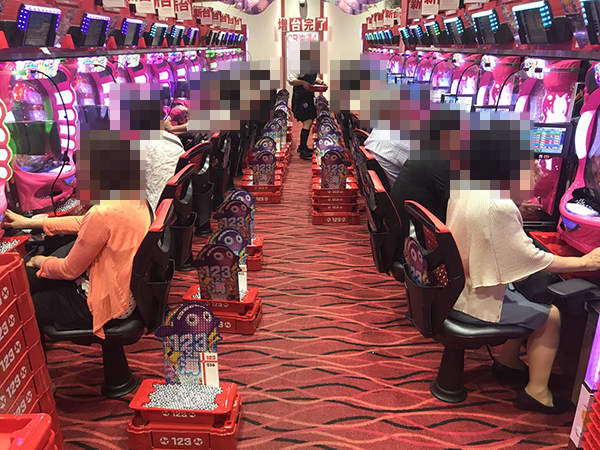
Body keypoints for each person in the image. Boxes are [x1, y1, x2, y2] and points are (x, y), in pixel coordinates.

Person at [444, 117, 600, 414]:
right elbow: (531, 259)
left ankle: (508, 361)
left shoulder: (469, 183)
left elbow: (494, 230)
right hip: (474, 300)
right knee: (550, 316)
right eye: (532, 161)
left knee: (524, 289)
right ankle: (536, 392)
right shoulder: (498, 206)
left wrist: (516, 207)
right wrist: (586, 261)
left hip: (456, 285)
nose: (539, 168)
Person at [2, 132, 152, 340]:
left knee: (25, 303)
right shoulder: (132, 196)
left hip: (106, 304)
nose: (75, 181)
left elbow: (69, 270)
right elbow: (85, 223)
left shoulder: (102, 213)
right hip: (127, 292)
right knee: (35, 278)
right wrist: (29, 222)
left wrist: (39, 261)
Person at [288, 42, 327, 160]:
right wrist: (302, 83)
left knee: (310, 120)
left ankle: (302, 147)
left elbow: (314, 78)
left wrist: (321, 82)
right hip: (300, 98)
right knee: (308, 122)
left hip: (308, 97)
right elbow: (290, 79)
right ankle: (303, 149)